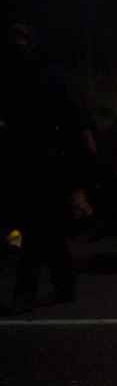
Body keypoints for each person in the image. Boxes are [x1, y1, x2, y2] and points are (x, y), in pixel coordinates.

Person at [0, 24, 88, 314]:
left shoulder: (52, 77)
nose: (16, 45)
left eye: (21, 40)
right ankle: (65, 286)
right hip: (22, 159)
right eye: (12, 40)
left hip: (46, 159)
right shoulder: (11, 78)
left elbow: (75, 122)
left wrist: (74, 170)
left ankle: (25, 292)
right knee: (48, 227)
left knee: (35, 227)